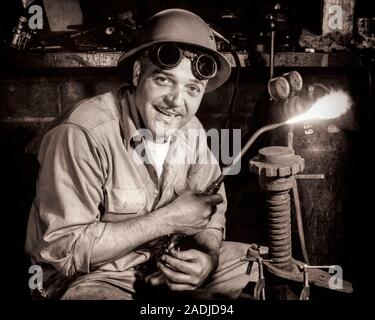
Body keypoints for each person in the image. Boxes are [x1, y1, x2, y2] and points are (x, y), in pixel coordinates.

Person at [25, 8, 263, 300]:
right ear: (138, 73)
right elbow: (65, 250)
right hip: (92, 277)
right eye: (164, 80)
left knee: (271, 269)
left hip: (164, 266)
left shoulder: (191, 130)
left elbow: (212, 210)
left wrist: (206, 258)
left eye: (192, 88)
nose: (177, 101)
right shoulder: (82, 133)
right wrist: (168, 219)